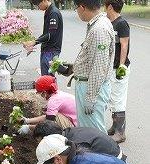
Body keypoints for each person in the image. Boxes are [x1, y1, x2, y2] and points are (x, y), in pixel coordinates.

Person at [59, 0, 115, 134]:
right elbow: (93, 58)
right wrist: (74, 68)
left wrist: (90, 98)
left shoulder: (99, 29)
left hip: (90, 87)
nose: (76, 11)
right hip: (89, 85)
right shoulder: (98, 24)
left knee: (94, 131)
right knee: (88, 129)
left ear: (82, 7)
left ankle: (107, 154)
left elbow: (99, 66)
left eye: (76, 8)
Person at [15, 120, 126, 164]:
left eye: (41, 141)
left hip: (115, 163)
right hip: (109, 156)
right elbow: (48, 159)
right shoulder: (65, 135)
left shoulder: (77, 145)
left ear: (50, 138)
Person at [105, 0, 130, 143]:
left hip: (120, 68)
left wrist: (121, 66)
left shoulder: (122, 23)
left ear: (110, 7)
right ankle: (115, 126)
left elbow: (124, 45)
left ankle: (121, 133)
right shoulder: (111, 23)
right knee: (113, 98)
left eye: (105, 7)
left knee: (119, 99)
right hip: (112, 67)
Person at [23, 0, 63, 75]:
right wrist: (33, 42)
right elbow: (46, 33)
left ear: (44, 0)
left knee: (47, 79)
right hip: (48, 50)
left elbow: (51, 35)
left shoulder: (53, 13)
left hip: (51, 51)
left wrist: (34, 42)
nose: (38, 7)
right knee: (48, 79)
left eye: (38, 4)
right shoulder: (49, 11)